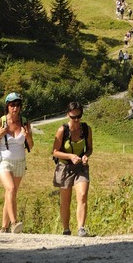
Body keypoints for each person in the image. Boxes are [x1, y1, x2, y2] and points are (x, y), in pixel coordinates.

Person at [0, 92, 34, 232]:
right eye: (12, 105)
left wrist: (28, 137)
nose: (15, 108)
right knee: (10, 189)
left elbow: (30, 146)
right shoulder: (0, 122)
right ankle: (14, 223)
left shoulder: (25, 122)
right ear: (7, 106)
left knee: (11, 193)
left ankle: (3, 227)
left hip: (20, 161)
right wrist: (0, 134)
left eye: (18, 105)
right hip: (4, 160)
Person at [51, 100, 94, 236]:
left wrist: (86, 156)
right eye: (73, 117)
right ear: (67, 115)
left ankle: (81, 228)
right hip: (65, 167)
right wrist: (70, 156)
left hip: (81, 167)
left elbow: (90, 148)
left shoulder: (86, 129)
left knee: (82, 195)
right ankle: (66, 229)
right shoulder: (62, 130)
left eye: (79, 116)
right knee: (65, 201)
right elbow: (55, 151)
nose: (76, 119)